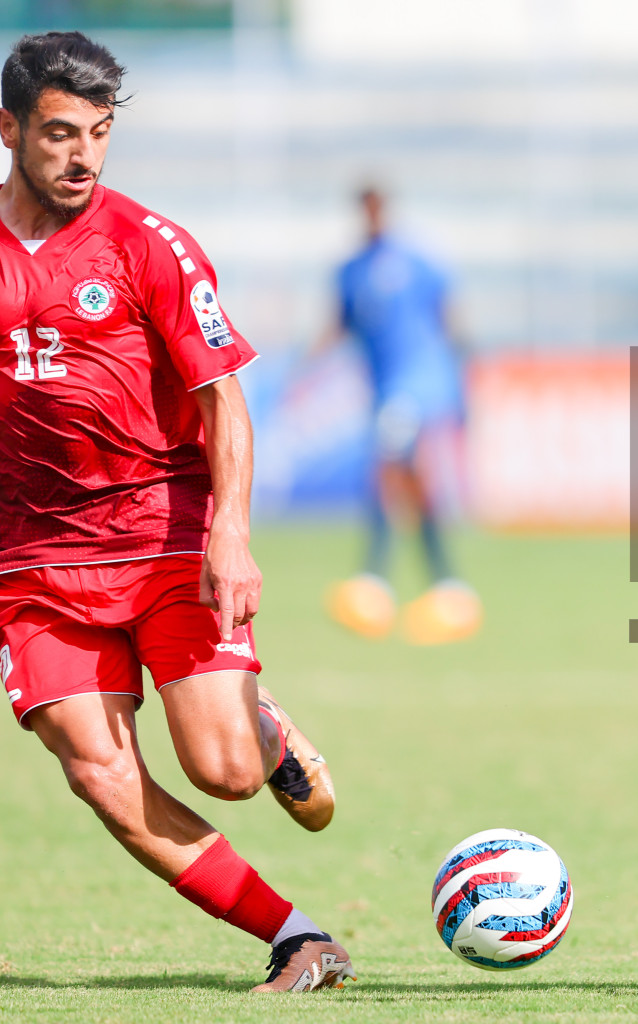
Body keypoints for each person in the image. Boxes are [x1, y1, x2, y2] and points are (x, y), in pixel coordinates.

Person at [0, 33, 353, 991]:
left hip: (163, 532)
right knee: (99, 775)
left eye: (100, 134)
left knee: (228, 771)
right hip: (31, 562)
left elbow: (221, 399)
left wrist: (229, 534)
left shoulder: (146, 243)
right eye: (61, 134)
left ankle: (261, 728)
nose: (83, 157)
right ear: (8, 128)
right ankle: (299, 937)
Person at [319, 186, 481, 645]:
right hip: (387, 388)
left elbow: (448, 316)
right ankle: (446, 583)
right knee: (408, 479)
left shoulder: (415, 262)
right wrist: (303, 369)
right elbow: (339, 326)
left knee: (389, 469)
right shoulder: (350, 271)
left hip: (420, 383)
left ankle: (375, 579)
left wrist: (462, 369)